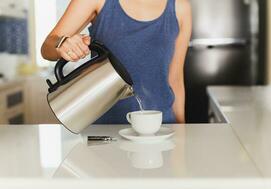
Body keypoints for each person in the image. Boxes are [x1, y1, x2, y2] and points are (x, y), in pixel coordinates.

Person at [41, 0, 192, 124]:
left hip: (163, 127)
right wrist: (62, 43)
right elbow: (47, 48)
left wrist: (181, 132)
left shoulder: (180, 8)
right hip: (105, 131)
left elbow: (175, 79)